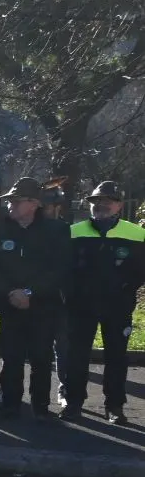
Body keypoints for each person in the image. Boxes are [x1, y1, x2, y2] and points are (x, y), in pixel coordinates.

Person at [0, 177, 72, 420]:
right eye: (10, 201)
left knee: (41, 358)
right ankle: (10, 405)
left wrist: (29, 292)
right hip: (10, 304)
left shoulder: (56, 230)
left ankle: (40, 407)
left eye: (17, 201)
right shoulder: (0, 230)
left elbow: (60, 269)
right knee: (11, 358)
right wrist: (11, 292)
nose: (11, 206)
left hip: (43, 305)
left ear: (34, 203)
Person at [65, 180, 144, 423]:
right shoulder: (74, 231)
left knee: (117, 357)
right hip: (81, 306)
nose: (101, 206)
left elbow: (141, 270)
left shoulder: (137, 234)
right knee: (76, 356)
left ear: (119, 205)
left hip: (118, 306)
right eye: (96, 202)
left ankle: (114, 407)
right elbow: (64, 268)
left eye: (107, 202)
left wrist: (125, 289)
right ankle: (74, 403)